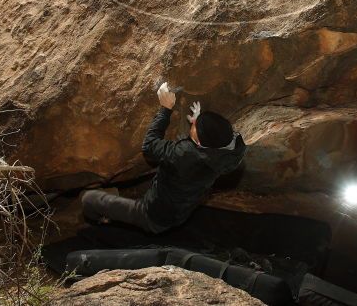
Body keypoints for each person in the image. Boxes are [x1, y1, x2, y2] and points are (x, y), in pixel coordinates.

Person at [81, 82, 246, 234]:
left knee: (89, 199)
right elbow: (207, 147)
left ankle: (100, 220)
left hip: (152, 215)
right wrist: (199, 124)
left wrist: (165, 109)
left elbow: (149, 146)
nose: (193, 124)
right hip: (180, 212)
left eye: (195, 127)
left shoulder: (184, 155)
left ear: (200, 143)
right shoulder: (229, 153)